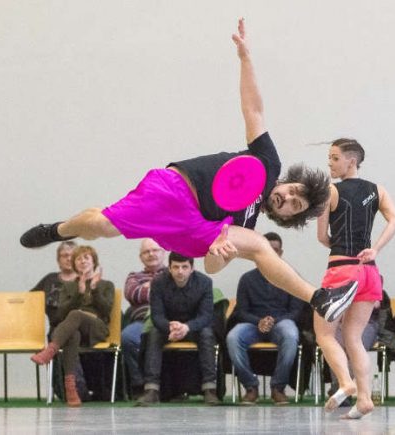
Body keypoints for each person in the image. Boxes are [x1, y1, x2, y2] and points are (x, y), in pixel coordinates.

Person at [19, 19, 357, 323]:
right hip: (173, 190)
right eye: (294, 191)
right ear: (288, 182)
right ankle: (59, 229)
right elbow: (253, 109)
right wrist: (245, 59)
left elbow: (210, 266)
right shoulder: (267, 164)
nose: (287, 198)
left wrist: (219, 254)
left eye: (294, 206)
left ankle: (320, 299)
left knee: (256, 245)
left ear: (285, 217)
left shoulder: (246, 225)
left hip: (200, 227)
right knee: (100, 226)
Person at [315, 138, 395, 419]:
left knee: (325, 334)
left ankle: (345, 382)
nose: (330, 163)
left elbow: (322, 237)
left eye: (335, 157)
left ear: (351, 161)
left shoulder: (329, 191)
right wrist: (374, 249)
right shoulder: (377, 190)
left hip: (341, 269)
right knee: (354, 337)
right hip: (370, 272)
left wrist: (341, 248)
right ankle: (364, 399)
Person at [30, 245, 114, 407]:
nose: (82, 261)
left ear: (93, 261)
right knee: (72, 334)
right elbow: (60, 315)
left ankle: (50, 350)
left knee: (75, 314)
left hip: (96, 328)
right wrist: (79, 293)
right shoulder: (69, 286)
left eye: (86, 258)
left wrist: (94, 290)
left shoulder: (106, 284)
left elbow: (106, 310)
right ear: (75, 264)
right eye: (79, 259)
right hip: (76, 329)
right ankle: (71, 389)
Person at [226, 232, 304, 405]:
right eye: (267, 249)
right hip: (253, 324)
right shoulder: (247, 279)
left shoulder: (291, 276)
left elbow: (296, 311)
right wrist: (259, 322)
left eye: (275, 250)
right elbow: (241, 312)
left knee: (291, 334)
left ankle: (278, 387)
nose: (272, 253)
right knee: (233, 337)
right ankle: (251, 387)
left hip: (281, 323)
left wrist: (273, 322)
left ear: (281, 253)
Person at [136, 252, 219, 406]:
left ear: (192, 268)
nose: (180, 271)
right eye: (176, 267)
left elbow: (206, 316)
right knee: (153, 334)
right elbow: (157, 315)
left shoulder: (205, 282)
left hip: (194, 327)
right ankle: (151, 390)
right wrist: (170, 327)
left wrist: (187, 327)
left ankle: (210, 389)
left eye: (184, 267)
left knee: (207, 334)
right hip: (169, 327)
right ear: (169, 268)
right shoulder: (158, 283)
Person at [122, 239, 167, 399]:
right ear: (141, 257)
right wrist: (159, 290)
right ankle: (139, 385)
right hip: (141, 322)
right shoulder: (134, 276)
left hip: (168, 322)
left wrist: (148, 288)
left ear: (163, 252)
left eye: (155, 250)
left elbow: (172, 297)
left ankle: (169, 388)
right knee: (127, 337)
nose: (151, 254)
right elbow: (132, 293)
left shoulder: (175, 271)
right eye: (146, 252)